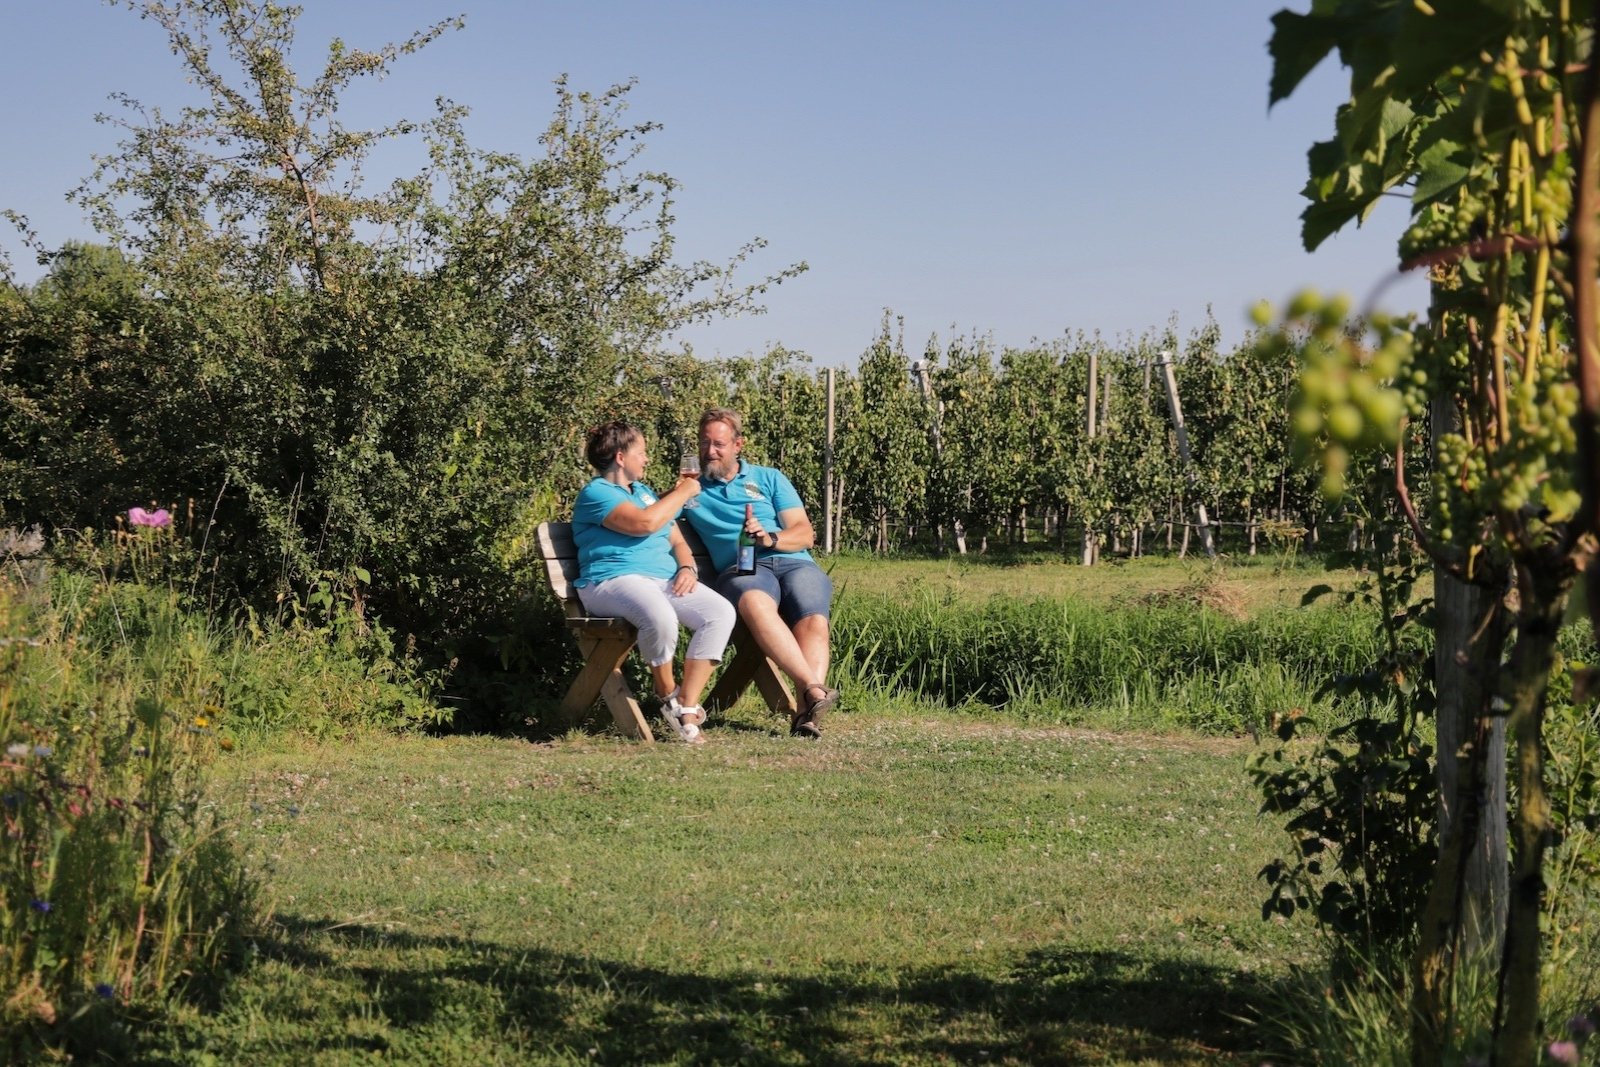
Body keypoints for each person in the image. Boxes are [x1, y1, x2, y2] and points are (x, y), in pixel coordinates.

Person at [572, 420, 737, 744]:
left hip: (661, 579)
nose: (647, 459)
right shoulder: (597, 492)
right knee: (660, 615)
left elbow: (675, 539)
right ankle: (665, 691)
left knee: (720, 612)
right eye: (642, 452)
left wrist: (688, 567)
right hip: (610, 581)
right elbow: (645, 523)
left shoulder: (644, 493)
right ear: (621, 457)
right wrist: (685, 492)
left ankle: (686, 704)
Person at [684, 407, 839, 738]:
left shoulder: (769, 478)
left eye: (719, 444)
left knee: (813, 619)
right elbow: (656, 520)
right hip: (742, 567)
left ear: (738, 445)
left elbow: (804, 532)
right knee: (755, 602)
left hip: (793, 560)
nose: (709, 451)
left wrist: (770, 537)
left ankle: (805, 717)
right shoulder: (691, 491)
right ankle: (812, 690)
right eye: (704, 443)